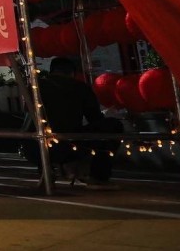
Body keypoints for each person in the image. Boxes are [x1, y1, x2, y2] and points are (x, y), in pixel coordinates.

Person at [30, 57, 122, 189]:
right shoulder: (79, 87)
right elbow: (94, 118)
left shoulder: (35, 87)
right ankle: (99, 176)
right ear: (72, 72)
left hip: (33, 146)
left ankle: (47, 170)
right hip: (69, 144)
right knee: (112, 127)